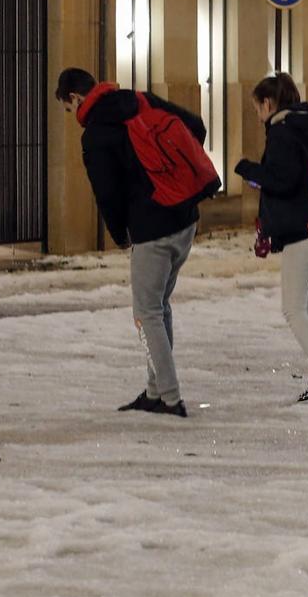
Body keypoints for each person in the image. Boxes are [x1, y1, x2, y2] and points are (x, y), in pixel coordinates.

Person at [57, 67, 213, 418]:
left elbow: (107, 193)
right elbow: (195, 125)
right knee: (159, 306)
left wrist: (120, 234)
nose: (73, 116)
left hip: (151, 229)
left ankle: (170, 398)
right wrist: (175, 179)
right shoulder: (140, 99)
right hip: (185, 219)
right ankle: (155, 390)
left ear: (75, 98)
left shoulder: (96, 133)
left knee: (146, 313)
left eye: (69, 109)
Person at [234, 73, 308, 405]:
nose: (257, 115)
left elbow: (283, 181)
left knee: (294, 310)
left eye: (257, 107)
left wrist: (249, 170)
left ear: (268, 103)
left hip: (302, 233)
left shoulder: (283, 133)